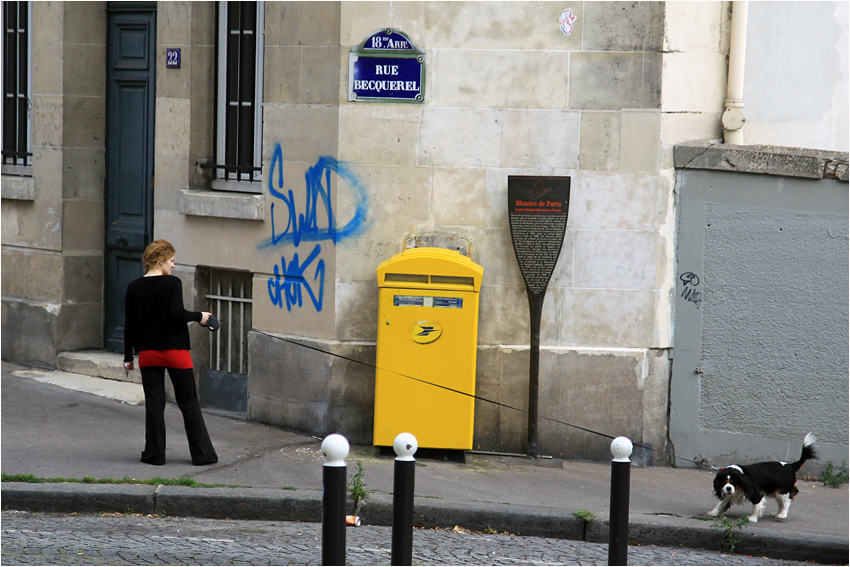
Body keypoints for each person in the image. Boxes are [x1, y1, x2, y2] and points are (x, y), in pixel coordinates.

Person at [123, 240, 218, 466]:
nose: (173, 266)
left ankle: (154, 455)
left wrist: (128, 357)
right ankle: (202, 455)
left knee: (154, 404)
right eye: (172, 261)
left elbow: (130, 325)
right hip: (175, 352)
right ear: (161, 260)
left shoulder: (133, 286)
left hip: (148, 354)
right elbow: (177, 313)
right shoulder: (172, 283)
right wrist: (200, 316)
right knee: (188, 404)